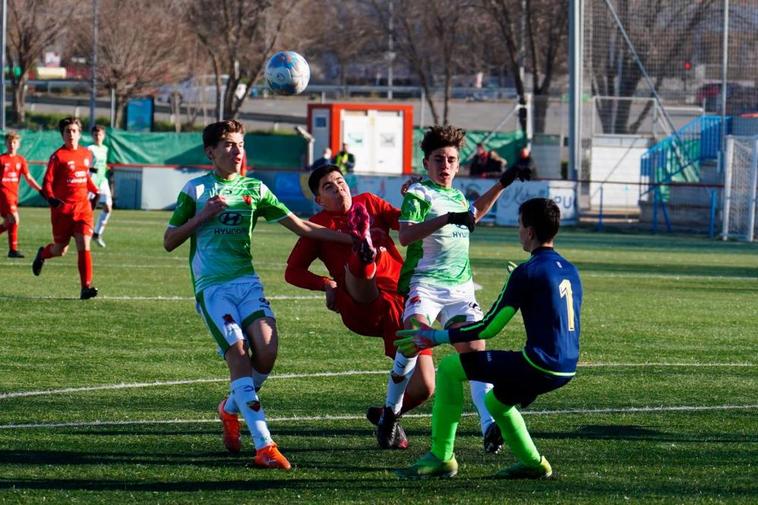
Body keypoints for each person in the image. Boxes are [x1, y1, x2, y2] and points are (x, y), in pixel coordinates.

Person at [163, 120, 352, 471]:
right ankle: (265, 445)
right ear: (211, 152)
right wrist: (203, 216)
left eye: (240, 145)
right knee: (238, 351)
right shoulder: (196, 190)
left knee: (266, 352)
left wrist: (351, 239)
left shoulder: (255, 189)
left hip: (247, 283)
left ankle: (230, 409)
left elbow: (301, 225)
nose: (237, 152)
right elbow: (170, 240)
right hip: (213, 289)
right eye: (229, 146)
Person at [395, 197, 582, 480]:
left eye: (520, 226)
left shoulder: (527, 272)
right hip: (566, 367)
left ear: (529, 232)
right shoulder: (570, 269)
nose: (518, 231)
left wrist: (436, 335)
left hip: (539, 364)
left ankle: (442, 457)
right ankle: (534, 464)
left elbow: (489, 328)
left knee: (448, 369)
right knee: (496, 403)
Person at [377, 125, 531, 453]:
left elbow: (474, 213)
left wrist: (504, 181)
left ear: (459, 165)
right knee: (412, 340)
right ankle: (391, 411)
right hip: (426, 285)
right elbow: (405, 236)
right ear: (426, 163)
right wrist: (447, 218)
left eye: (451, 160)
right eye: (438, 159)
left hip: (460, 290)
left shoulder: (458, 196)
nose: (445, 165)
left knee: (476, 355)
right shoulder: (419, 194)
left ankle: (489, 427)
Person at [284, 164, 431, 449]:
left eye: (340, 181)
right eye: (329, 186)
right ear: (319, 200)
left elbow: (406, 225)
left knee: (425, 386)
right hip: (359, 303)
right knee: (362, 263)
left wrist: (416, 196)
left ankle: (386, 415)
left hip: (402, 300)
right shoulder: (317, 225)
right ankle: (363, 251)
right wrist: (326, 283)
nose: (338, 188)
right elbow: (293, 271)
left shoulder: (370, 203)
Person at [33, 117, 99, 300]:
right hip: (62, 211)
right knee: (60, 250)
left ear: (79, 133)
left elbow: (84, 178)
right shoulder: (57, 156)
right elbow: (47, 182)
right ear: (62, 135)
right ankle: (43, 254)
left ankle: (85, 288)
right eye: (67, 131)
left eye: (74, 131)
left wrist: (95, 191)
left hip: (82, 209)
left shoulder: (86, 154)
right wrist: (51, 198)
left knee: (84, 244)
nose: (71, 134)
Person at [0, 132, 42, 258]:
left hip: (13, 195)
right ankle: (13, 250)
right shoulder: (1, 159)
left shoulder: (20, 160)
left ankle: (12, 250)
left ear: (18, 145)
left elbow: (28, 177)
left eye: (14, 142)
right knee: (15, 218)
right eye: (9, 142)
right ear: (5, 144)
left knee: (8, 223)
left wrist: (40, 190)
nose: (11, 145)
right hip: (3, 194)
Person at [88, 125, 112, 248]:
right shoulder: (90, 149)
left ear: (104, 136)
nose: (98, 136)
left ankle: (97, 233)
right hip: (91, 181)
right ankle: (83, 231)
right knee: (88, 210)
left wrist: (104, 168)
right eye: (95, 135)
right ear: (92, 136)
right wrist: (94, 169)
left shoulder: (105, 149)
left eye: (100, 134)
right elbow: (86, 165)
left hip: (102, 181)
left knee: (108, 207)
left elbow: (102, 164)